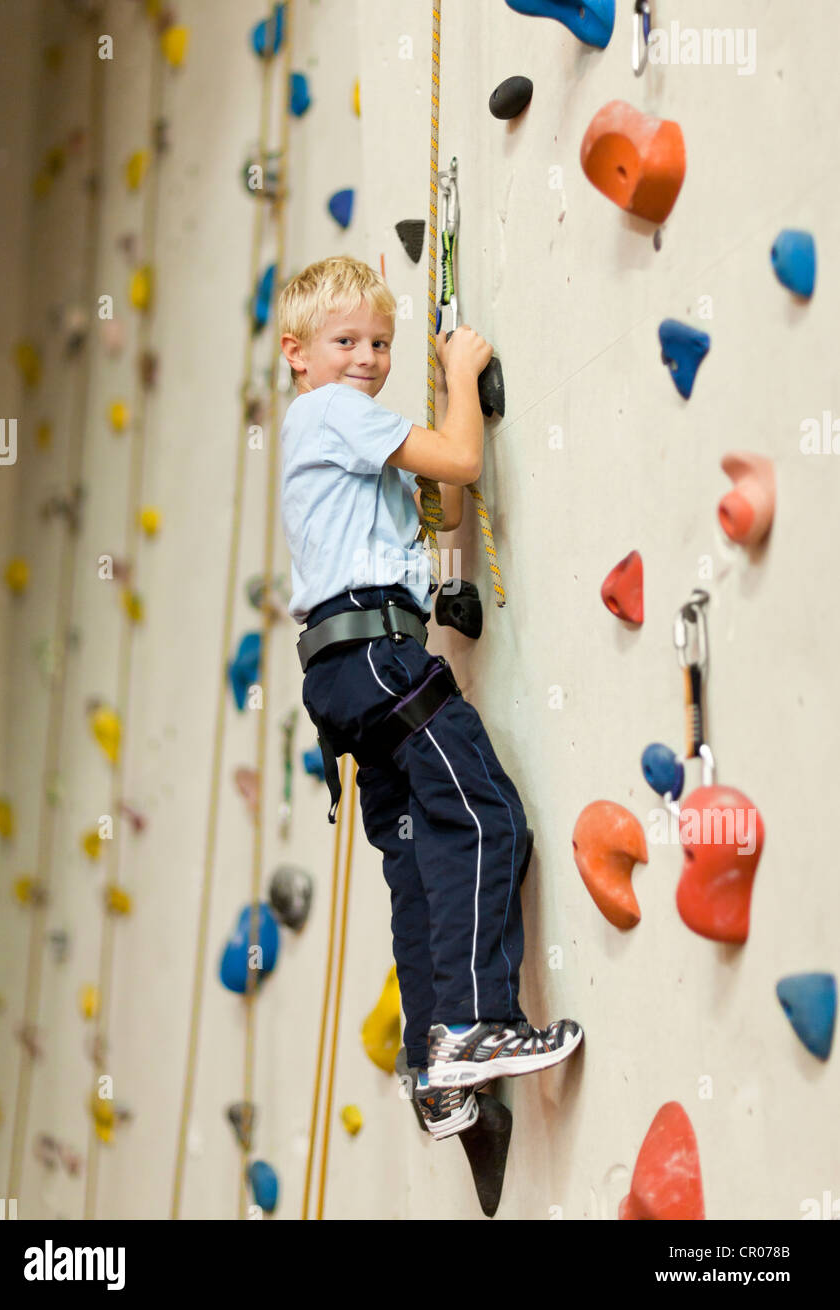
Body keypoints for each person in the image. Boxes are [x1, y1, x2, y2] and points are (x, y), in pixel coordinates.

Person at [279, 255, 583, 1140]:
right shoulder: (332, 410)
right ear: (298, 353)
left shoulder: (343, 436)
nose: (368, 358)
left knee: (416, 858)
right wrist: (456, 375)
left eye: (380, 341)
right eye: (346, 342)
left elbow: (444, 509)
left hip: (345, 673)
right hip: (376, 654)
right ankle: (478, 1025)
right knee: (487, 817)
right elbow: (457, 454)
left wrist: (442, 423)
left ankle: (435, 1065)